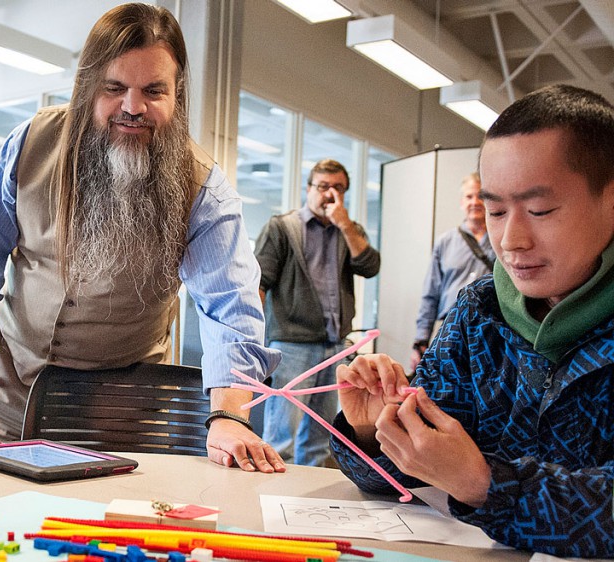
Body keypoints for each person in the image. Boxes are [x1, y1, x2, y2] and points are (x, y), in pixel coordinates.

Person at [0, 3, 281, 472]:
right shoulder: (31, 144)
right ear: (87, 87)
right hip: (9, 395)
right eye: (115, 88)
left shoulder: (202, 187)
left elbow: (230, 305)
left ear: (177, 95)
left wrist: (228, 414)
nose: (133, 107)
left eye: (153, 91)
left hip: (121, 413)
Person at [332, 84, 614, 556]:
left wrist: (485, 485)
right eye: (496, 210)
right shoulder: (479, 311)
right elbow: (404, 479)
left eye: (540, 210)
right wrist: (376, 433)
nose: (511, 240)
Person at [253, 159, 380, 467]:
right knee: (281, 437)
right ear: (309, 189)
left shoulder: (350, 231)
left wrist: (345, 225)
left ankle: (305, 510)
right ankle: (268, 500)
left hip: (335, 346)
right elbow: (259, 283)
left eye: (337, 188)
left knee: (320, 440)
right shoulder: (283, 227)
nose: (329, 195)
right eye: (323, 187)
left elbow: (370, 266)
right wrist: (254, 339)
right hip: (292, 346)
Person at [410, 172, 494, 370]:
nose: (475, 201)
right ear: (461, 202)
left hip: (492, 331)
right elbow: (430, 295)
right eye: (469, 196)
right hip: (451, 331)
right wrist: (420, 340)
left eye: (481, 196)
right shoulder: (445, 242)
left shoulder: (502, 240)